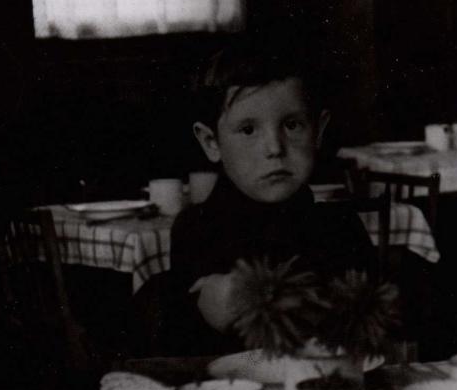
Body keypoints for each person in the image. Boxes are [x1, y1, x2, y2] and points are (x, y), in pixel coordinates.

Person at [130, 39, 375, 357]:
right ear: (211, 142)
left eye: (292, 125)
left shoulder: (341, 228)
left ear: (319, 131)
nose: (274, 147)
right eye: (248, 130)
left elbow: (373, 332)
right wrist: (203, 312)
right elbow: (181, 350)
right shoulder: (197, 230)